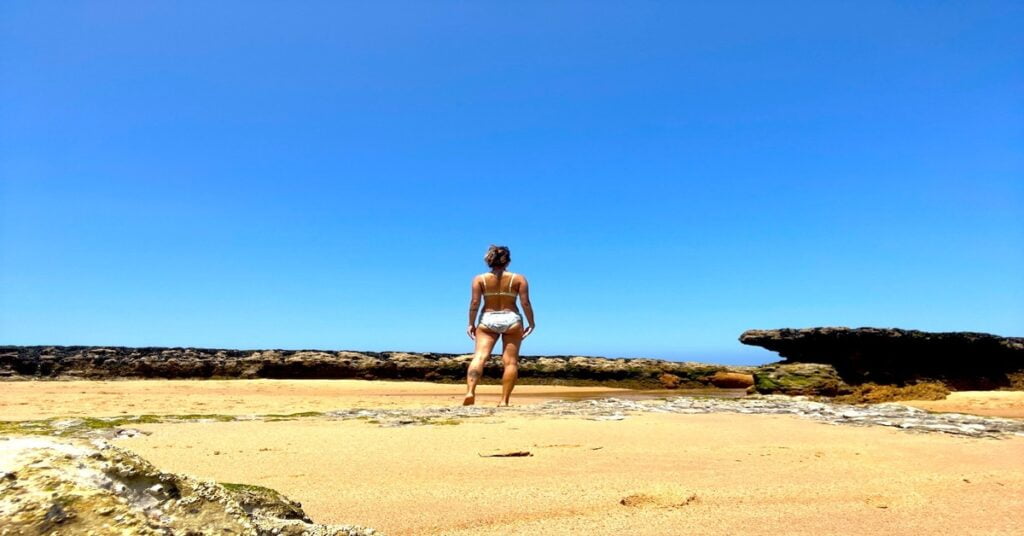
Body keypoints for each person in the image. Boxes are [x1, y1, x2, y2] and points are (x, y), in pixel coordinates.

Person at [464, 245, 535, 406]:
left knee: (480, 357)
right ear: (507, 260)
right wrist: (531, 323)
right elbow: (525, 303)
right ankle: (504, 401)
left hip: (488, 317)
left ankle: (470, 392)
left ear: (489, 259)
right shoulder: (519, 279)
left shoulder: (479, 279)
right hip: (511, 318)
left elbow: (475, 303)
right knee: (510, 362)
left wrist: (471, 323)